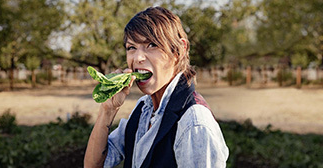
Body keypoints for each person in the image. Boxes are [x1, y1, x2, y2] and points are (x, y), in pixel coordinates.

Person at [84, 6, 229, 168]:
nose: (138, 57)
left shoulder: (194, 123)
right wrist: (107, 110)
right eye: (131, 48)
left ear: (179, 50)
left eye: (152, 45)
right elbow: (93, 165)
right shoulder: (142, 110)